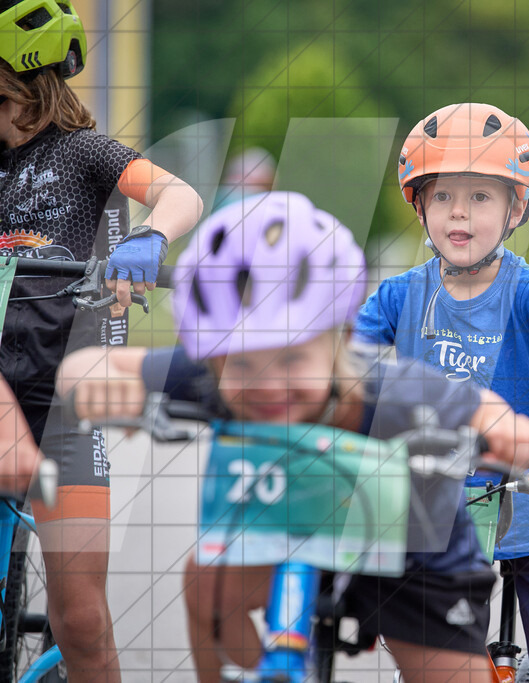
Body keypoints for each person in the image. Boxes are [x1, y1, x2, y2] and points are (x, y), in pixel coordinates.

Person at [57, 190, 529, 683]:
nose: (269, 383)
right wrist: (98, 386)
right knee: (205, 579)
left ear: (339, 342)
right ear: (212, 357)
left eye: (293, 357)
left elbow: (479, 407)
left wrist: (510, 432)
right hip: (284, 525)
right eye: (242, 363)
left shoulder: (384, 390)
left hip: (412, 547)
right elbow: (82, 367)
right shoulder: (212, 375)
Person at [353, 103, 529, 681]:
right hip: (433, 509)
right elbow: (343, 360)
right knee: (428, 657)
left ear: (515, 208)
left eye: (480, 196)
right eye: (442, 196)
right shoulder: (401, 295)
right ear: (419, 206)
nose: (459, 212)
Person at [0, 3, 202, 679]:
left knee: (82, 620)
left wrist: (149, 235)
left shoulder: (82, 151)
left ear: (30, 87)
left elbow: (179, 194)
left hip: (64, 399)